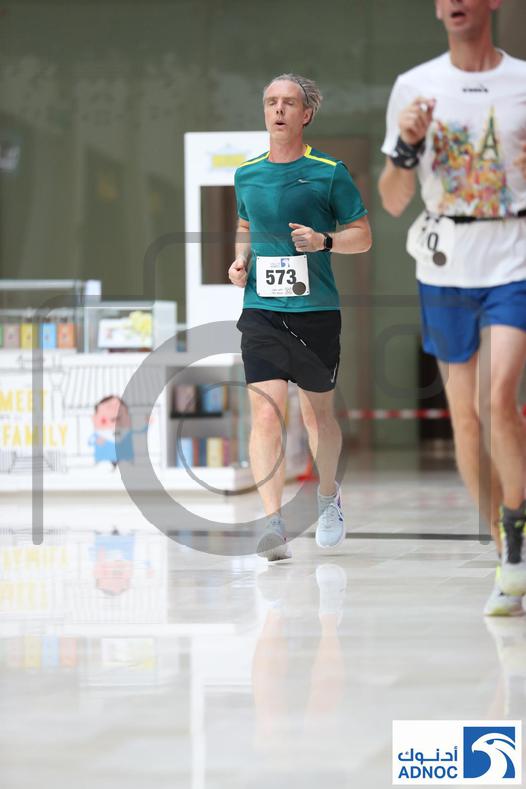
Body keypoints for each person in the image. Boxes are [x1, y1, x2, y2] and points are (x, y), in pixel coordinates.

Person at [378, 0, 526, 615]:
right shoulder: (415, 86)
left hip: (514, 257)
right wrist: (407, 147)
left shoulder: (522, 82)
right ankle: (505, 552)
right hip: (445, 265)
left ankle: (517, 530)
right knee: (465, 418)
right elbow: (392, 199)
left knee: (497, 400)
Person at [229, 73, 372, 561]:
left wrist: (323, 240)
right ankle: (273, 523)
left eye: (289, 103)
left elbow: (363, 235)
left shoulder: (329, 171)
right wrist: (241, 259)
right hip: (261, 310)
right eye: (271, 102)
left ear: (306, 114)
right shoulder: (247, 173)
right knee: (265, 414)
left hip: (315, 313)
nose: (278, 110)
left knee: (317, 417)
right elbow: (244, 224)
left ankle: (328, 497)